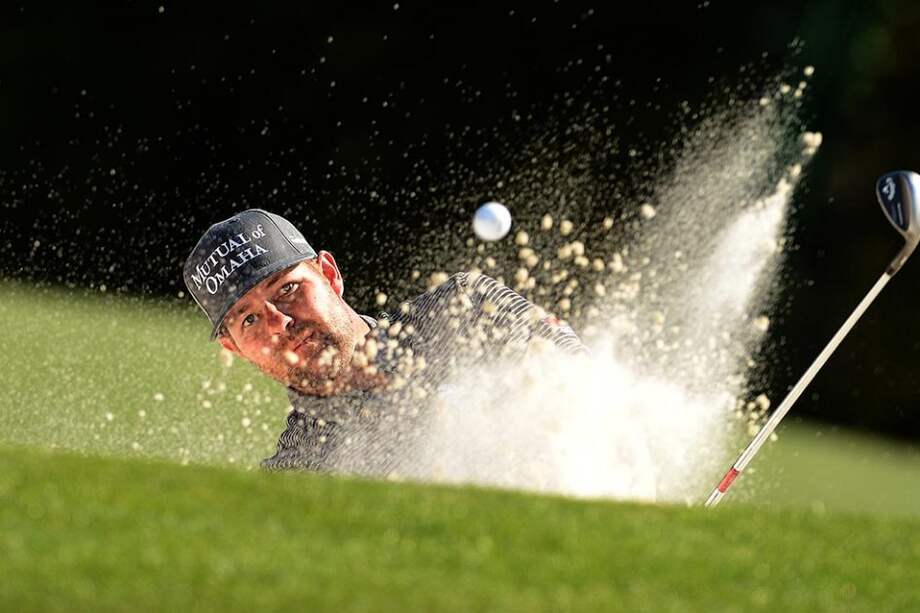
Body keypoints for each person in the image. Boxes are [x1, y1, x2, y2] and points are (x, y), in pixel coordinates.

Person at [183, 209, 586, 476]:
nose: (281, 323)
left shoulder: (464, 311)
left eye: (288, 288)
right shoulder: (299, 475)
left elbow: (584, 380)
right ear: (234, 348)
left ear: (329, 274)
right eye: (249, 319)